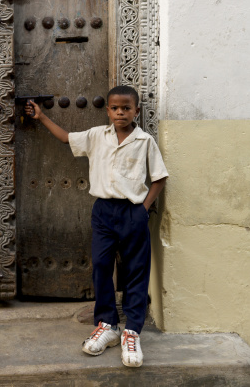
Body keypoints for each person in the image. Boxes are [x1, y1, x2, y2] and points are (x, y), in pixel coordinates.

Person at [25, 85, 168, 368]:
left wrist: (143, 209)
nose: (120, 112)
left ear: (136, 111)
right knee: (102, 266)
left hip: (133, 212)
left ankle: (132, 332)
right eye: (115, 108)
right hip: (103, 211)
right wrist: (41, 117)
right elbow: (67, 139)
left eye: (126, 108)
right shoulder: (96, 136)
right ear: (108, 110)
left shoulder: (145, 141)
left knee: (135, 271)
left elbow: (159, 178)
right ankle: (108, 325)